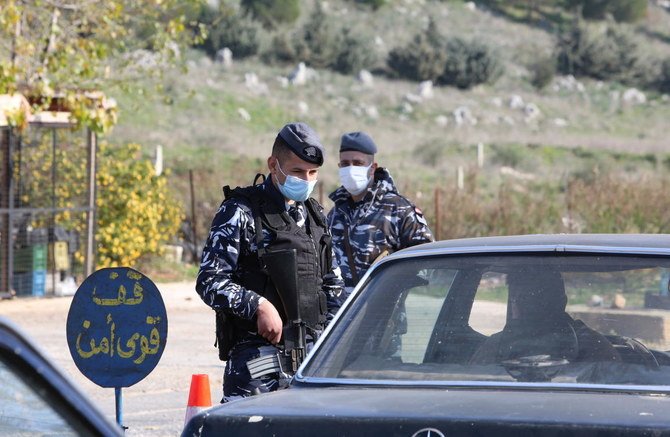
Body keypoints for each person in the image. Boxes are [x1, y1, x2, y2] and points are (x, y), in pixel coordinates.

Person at [196, 122, 344, 402]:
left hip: (311, 362)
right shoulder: (240, 211)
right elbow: (209, 280)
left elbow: (332, 286)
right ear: (273, 164)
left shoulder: (316, 217)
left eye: (312, 173)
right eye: (298, 171)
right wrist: (258, 305)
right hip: (257, 363)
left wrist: (335, 343)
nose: (306, 179)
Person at [327, 131, 433, 295]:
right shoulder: (335, 214)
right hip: (342, 317)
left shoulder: (399, 210)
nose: (351, 169)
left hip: (384, 316)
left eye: (358, 163)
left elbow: (428, 263)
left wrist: (388, 280)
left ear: (372, 168)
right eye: (345, 164)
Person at [469, 270, 620, 365]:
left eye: (540, 300)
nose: (533, 307)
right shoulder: (597, 345)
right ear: (564, 301)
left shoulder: (593, 346)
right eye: (525, 300)